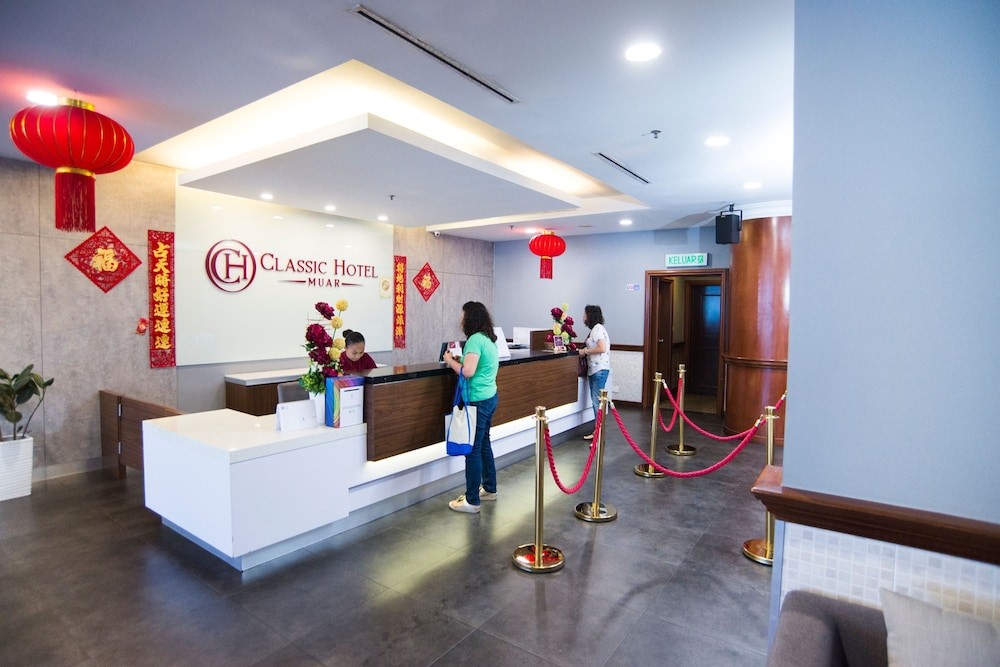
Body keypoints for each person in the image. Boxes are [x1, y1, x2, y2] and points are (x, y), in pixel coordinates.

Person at [442, 301, 500, 513]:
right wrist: (462, 360)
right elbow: (476, 365)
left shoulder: (474, 340)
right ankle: (490, 488)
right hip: (490, 397)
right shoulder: (488, 339)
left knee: (473, 450)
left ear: (470, 319)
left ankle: (472, 500)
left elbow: (468, 372)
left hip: (478, 401)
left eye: (463, 316)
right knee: (483, 444)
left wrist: (450, 360)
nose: (460, 320)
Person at [578, 304, 610, 440]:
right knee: (597, 401)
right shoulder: (598, 329)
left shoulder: (597, 329)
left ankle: (598, 433)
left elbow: (602, 348)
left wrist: (585, 351)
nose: (583, 317)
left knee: (597, 402)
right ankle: (598, 431)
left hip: (598, 369)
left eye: (585, 314)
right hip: (597, 369)